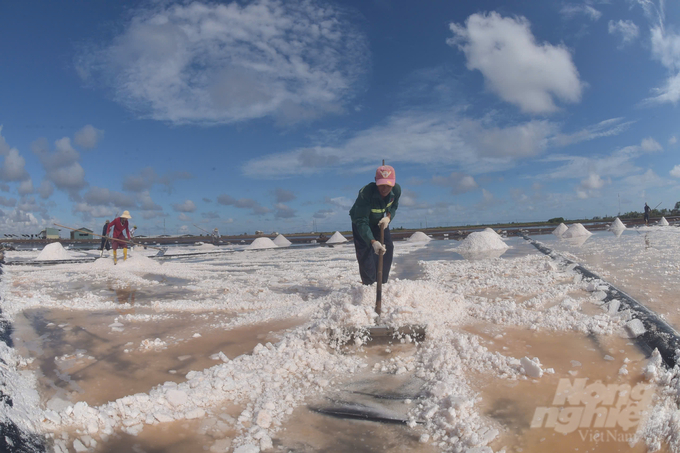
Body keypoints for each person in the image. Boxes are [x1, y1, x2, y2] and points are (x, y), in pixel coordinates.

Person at [349, 165, 401, 285]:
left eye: (388, 185)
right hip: (361, 222)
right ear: (376, 181)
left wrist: (388, 218)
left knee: (388, 248)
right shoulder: (365, 193)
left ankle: (382, 282)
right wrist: (372, 241)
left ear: (393, 184)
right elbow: (362, 220)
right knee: (366, 252)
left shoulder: (396, 191)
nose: (384, 189)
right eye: (381, 185)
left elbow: (394, 206)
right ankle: (369, 284)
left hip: (379, 222)